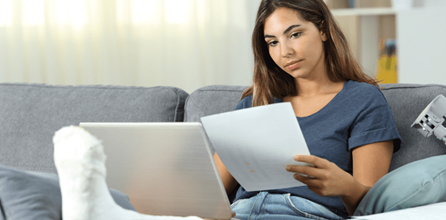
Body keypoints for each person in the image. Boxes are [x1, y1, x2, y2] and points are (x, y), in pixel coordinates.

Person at [213, 0, 402, 219]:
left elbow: (372, 210)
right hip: (240, 213)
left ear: (323, 30)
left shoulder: (364, 100)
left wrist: (345, 186)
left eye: (294, 35)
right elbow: (209, 193)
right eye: (273, 42)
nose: (285, 52)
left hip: (302, 213)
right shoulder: (255, 102)